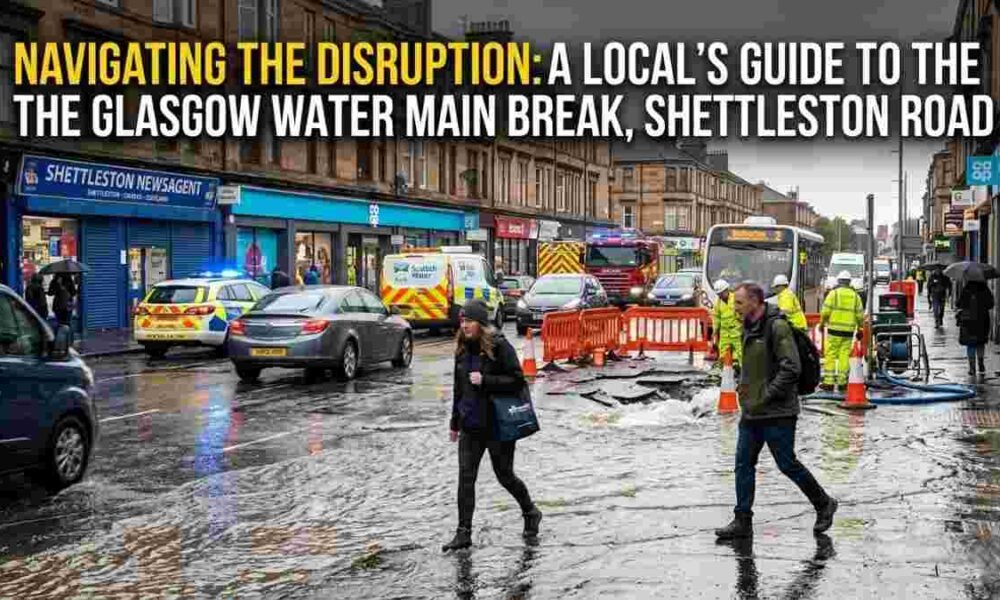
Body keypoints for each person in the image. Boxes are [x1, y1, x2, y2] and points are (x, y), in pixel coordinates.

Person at [715, 282, 837, 540]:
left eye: (739, 302)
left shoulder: (777, 327)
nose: (734, 307)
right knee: (743, 463)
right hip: (752, 412)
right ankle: (742, 520)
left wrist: (767, 395)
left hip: (778, 412)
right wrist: (743, 388)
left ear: (755, 302)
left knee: (787, 463)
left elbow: (791, 368)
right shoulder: (748, 327)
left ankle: (824, 503)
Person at [443, 299, 542, 551]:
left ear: (481, 323)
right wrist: (455, 423)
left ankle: (530, 512)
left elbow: (517, 380)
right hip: (470, 426)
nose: (464, 326)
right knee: (466, 479)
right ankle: (463, 533)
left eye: (470, 321)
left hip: (497, 426)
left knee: (505, 476)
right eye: (462, 321)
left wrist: (485, 380)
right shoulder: (462, 348)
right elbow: (459, 388)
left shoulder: (499, 346)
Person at [818, 271, 864, 391]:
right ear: (849, 282)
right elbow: (860, 315)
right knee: (844, 355)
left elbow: (825, 311)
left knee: (831, 354)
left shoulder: (834, 294)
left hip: (834, 330)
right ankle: (842, 382)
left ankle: (829, 382)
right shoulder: (855, 296)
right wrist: (860, 328)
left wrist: (822, 324)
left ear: (839, 281)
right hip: (848, 331)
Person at [956, 279, 994, 376]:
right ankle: (981, 364)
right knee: (980, 342)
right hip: (982, 320)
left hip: (969, 321)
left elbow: (959, 303)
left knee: (971, 344)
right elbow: (991, 304)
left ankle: (972, 368)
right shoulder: (985, 289)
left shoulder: (966, 289)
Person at [712, 280, 743, 369]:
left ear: (726, 290)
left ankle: (741, 373)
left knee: (740, 355)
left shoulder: (736, 299)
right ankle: (725, 373)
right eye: (718, 294)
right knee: (723, 355)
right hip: (725, 334)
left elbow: (743, 312)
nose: (720, 296)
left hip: (737, 333)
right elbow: (716, 317)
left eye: (721, 293)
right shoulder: (718, 302)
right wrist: (715, 331)